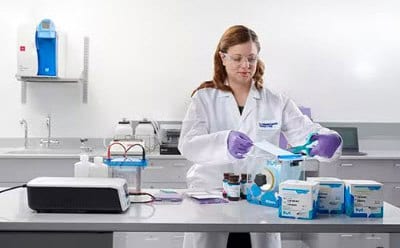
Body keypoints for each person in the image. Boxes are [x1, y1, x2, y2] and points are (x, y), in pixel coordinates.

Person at [178, 25, 342, 248]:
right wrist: (223, 142)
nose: (245, 66)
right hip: (213, 200)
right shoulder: (204, 98)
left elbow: (306, 132)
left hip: (262, 200)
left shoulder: (275, 101)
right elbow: (188, 145)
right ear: (223, 58)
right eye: (237, 58)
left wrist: (327, 140)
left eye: (251, 58)